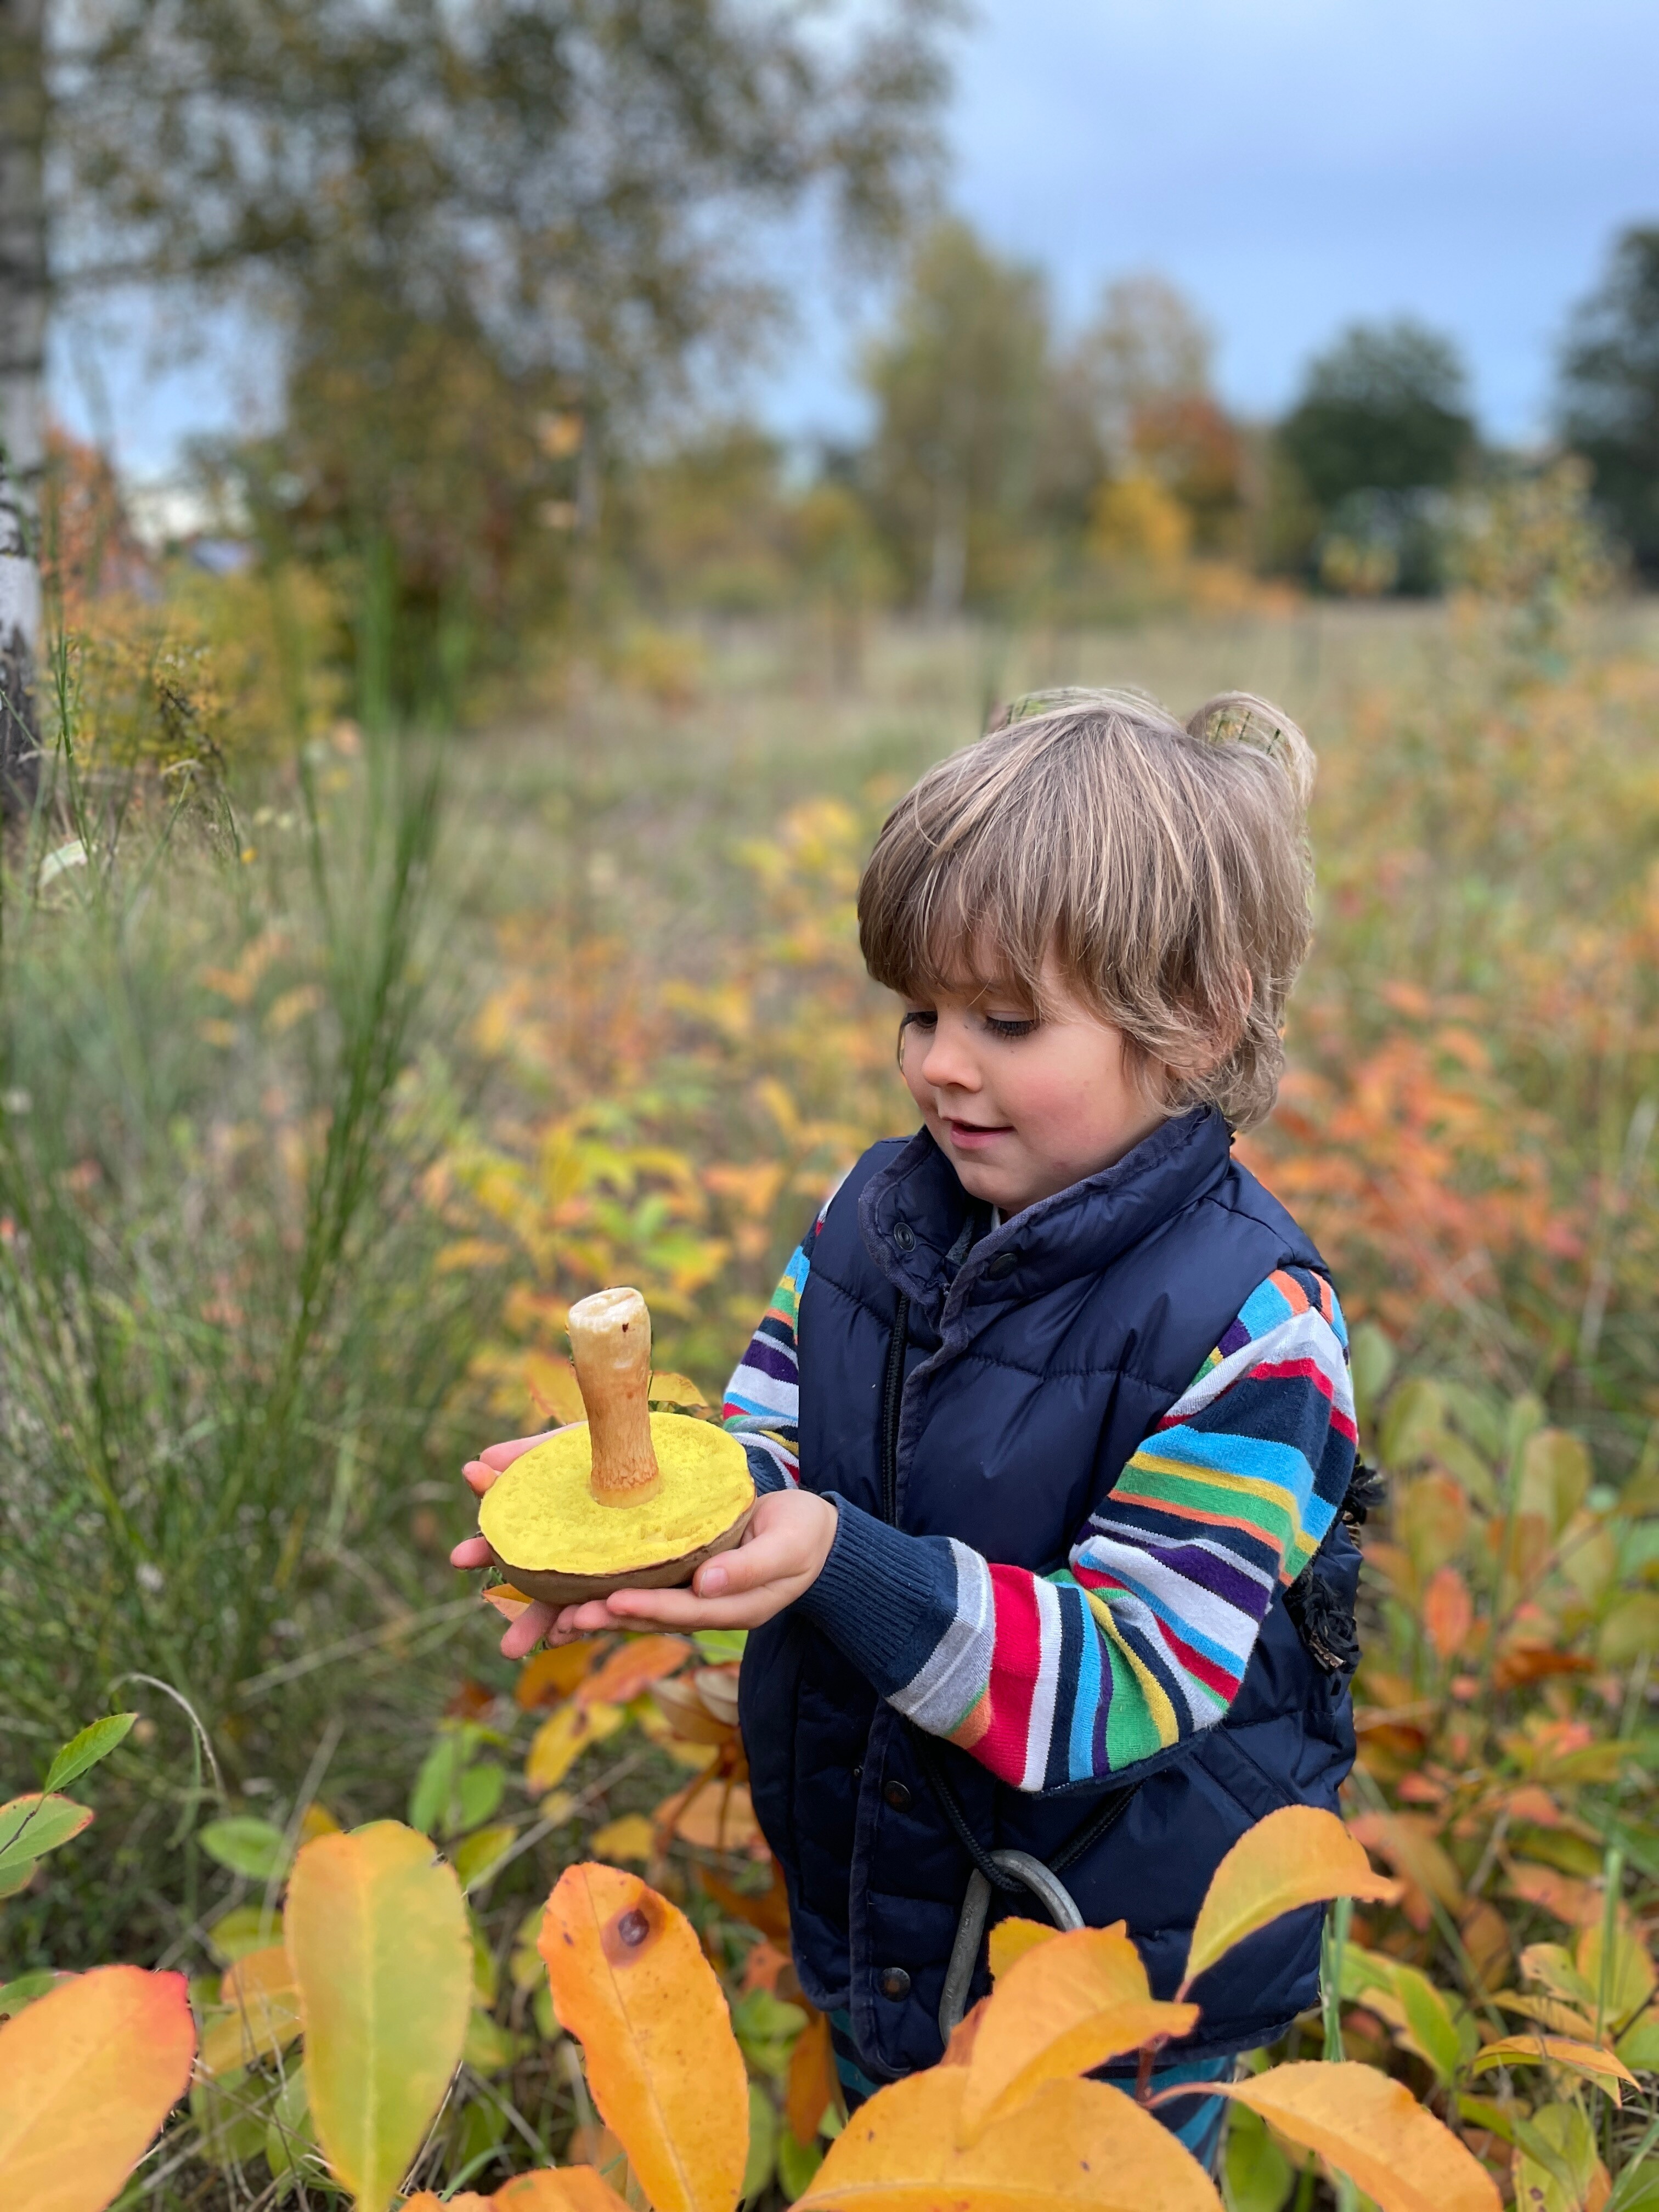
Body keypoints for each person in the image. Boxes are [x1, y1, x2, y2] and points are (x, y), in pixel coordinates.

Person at [453, 689, 1364, 2168]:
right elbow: (770, 1448)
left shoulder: (1254, 1330)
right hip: (891, 1895)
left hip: (1110, 1984)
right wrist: (641, 1523)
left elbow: (1132, 1676)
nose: (942, 1061)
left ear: (1193, 1020)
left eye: (1007, 1022)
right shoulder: (869, 1220)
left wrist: (836, 1562)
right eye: (921, 1013)